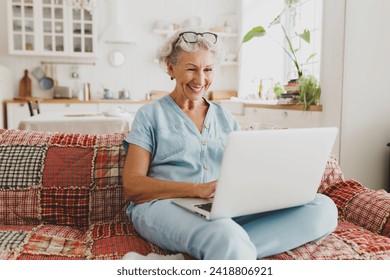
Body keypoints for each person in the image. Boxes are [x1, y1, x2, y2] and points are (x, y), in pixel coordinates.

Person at [122, 29, 338, 260]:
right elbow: (133, 186)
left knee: (323, 208)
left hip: (219, 211)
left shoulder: (225, 118)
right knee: (226, 236)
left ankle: (214, 254)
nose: (201, 80)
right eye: (191, 69)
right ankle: (226, 246)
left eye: (208, 69)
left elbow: (243, 172)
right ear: (170, 67)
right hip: (162, 206)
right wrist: (196, 190)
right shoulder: (150, 115)